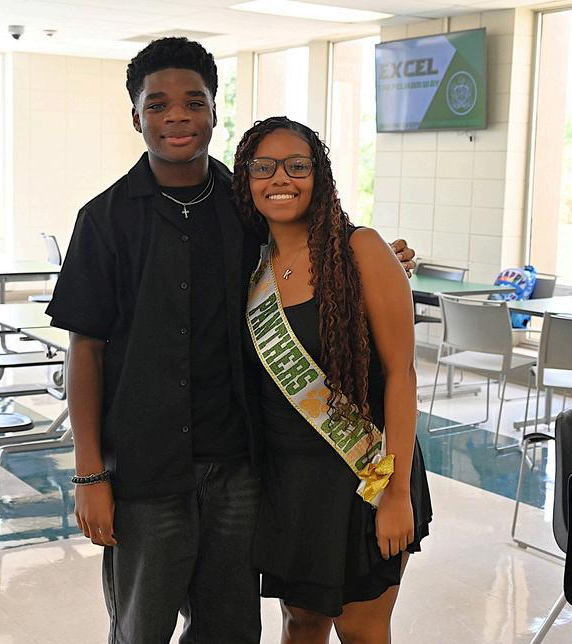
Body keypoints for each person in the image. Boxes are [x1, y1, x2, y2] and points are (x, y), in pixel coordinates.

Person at [46, 38, 416, 643]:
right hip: (145, 471)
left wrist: (380, 260)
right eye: (158, 104)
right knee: (140, 631)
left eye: (194, 102)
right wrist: (89, 476)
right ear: (136, 116)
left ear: (215, 111)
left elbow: (315, 244)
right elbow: (85, 351)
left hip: (242, 471)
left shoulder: (245, 211)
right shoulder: (104, 219)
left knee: (231, 631)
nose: (177, 117)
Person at [235, 116, 432, 644]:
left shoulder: (360, 249)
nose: (281, 178)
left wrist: (396, 493)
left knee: (361, 628)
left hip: (365, 473)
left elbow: (402, 376)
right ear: (246, 179)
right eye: (264, 166)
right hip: (290, 483)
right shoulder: (251, 265)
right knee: (301, 624)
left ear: (318, 175)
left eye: (297, 166)